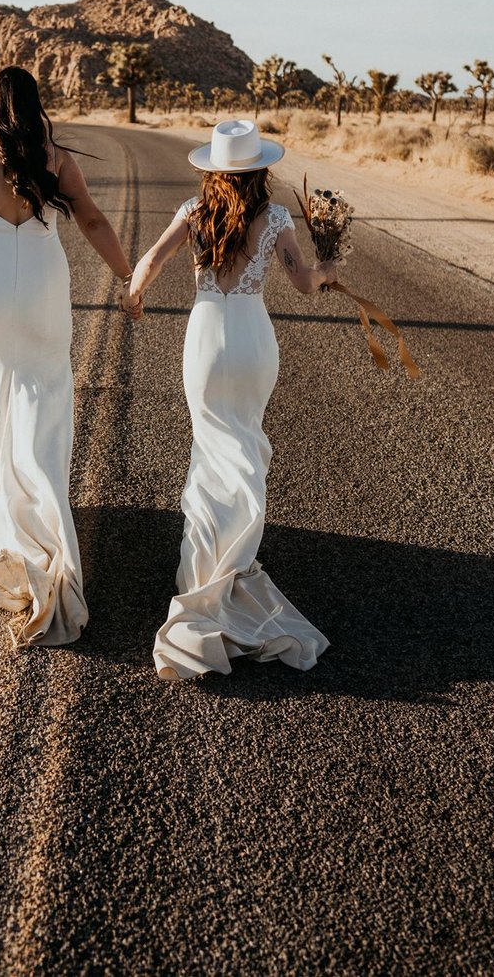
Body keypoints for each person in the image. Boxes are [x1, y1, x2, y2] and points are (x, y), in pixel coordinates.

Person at [0, 66, 133, 649]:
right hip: (42, 285)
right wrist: (126, 276)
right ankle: (42, 509)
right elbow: (90, 219)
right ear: (35, 104)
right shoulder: (57, 159)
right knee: (44, 392)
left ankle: (1, 511)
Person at [124, 119, 337, 681]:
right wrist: (328, 272)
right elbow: (301, 281)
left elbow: (148, 262)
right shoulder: (278, 219)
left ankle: (200, 576)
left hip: (206, 339)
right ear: (261, 170)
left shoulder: (194, 214)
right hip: (252, 340)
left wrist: (134, 298)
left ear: (213, 172)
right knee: (246, 450)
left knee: (209, 450)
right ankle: (235, 567)